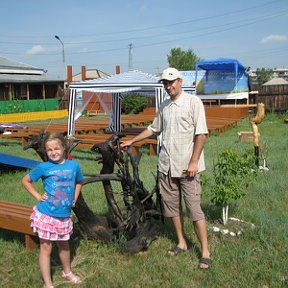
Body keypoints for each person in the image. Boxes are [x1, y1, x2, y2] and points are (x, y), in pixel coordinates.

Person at [120, 68, 211, 269]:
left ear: (180, 81)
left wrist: (194, 161)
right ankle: (181, 242)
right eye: (165, 83)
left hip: (188, 168)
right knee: (171, 208)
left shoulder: (193, 102)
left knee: (194, 210)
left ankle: (205, 251)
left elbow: (201, 134)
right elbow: (153, 129)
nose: (168, 86)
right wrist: (132, 141)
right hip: (166, 166)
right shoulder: (164, 106)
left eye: (171, 82)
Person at [22, 132, 84, 287]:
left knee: (64, 245)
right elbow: (26, 181)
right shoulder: (43, 167)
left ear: (64, 147)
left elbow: (79, 182)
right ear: (45, 152)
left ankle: (67, 272)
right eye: (49, 150)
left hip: (64, 215)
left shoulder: (74, 165)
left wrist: (75, 198)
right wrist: (37, 196)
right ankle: (48, 283)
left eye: (56, 148)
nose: (53, 152)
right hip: (46, 214)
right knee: (46, 248)